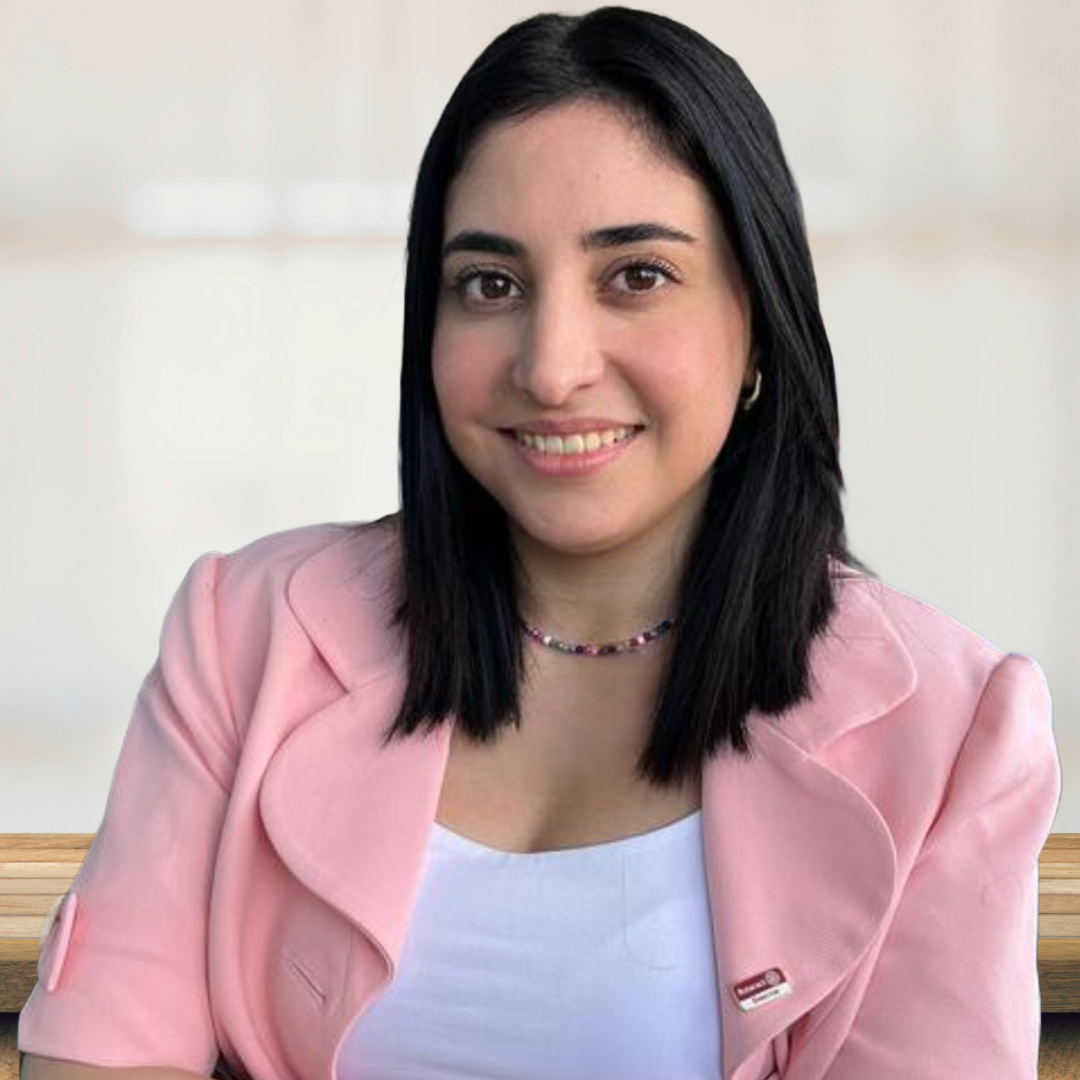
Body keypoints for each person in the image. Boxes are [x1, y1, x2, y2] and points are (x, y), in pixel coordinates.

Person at [19, 7, 1060, 1080]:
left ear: (759, 321)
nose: (552, 365)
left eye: (637, 276)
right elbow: (104, 1058)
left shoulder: (953, 727)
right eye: (491, 284)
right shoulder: (244, 632)